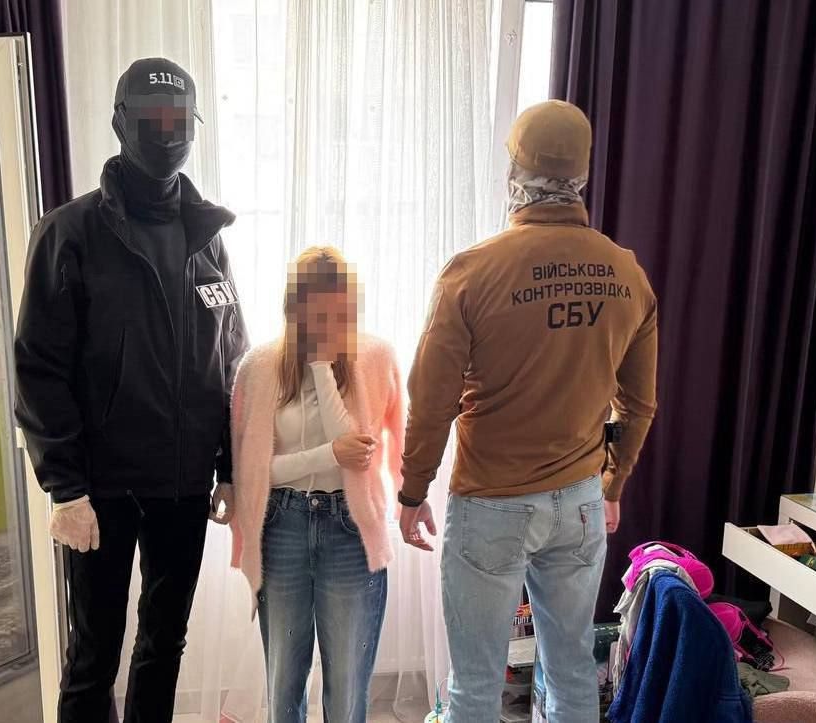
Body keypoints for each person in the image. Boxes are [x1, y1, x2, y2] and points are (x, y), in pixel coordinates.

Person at [398, 100, 658, 723]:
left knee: (475, 684)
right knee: (572, 672)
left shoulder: (471, 272)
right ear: (583, 174)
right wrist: (613, 482)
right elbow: (639, 404)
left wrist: (412, 491)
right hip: (580, 501)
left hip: (492, 501)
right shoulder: (626, 273)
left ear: (514, 172)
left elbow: (431, 402)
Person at [14, 57, 248, 722]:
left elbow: (231, 360)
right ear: (121, 122)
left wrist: (229, 468)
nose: (165, 134)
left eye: (178, 121)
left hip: (182, 484)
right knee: (94, 655)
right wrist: (65, 488)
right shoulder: (69, 233)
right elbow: (39, 367)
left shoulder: (207, 238)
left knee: (163, 643)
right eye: (151, 119)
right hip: (100, 489)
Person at [228, 247, 405, 723]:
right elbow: (253, 474)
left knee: (347, 686)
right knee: (284, 681)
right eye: (314, 307)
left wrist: (323, 366)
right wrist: (327, 456)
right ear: (293, 306)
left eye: (337, 308)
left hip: (350, 528)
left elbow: (361, 452)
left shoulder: (374, 357)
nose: (326, 320)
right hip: (281, 524)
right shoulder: (258, 367)